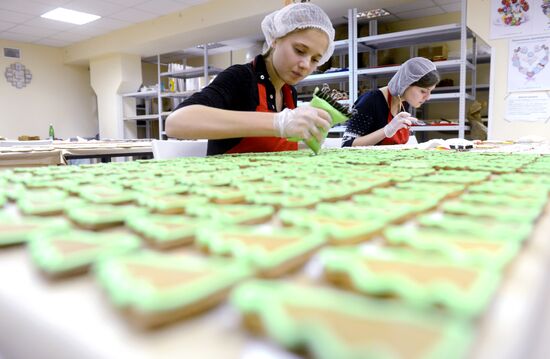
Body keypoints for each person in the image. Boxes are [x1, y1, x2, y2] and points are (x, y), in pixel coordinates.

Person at [165, 3, 335, 156]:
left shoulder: (288, 91)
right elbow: (177, 122)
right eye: (299, 50)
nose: (306, 65)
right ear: (275, 39)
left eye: (315, 60)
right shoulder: (242, 78)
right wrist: (278, 123)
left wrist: (304, 139)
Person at [341, 57, 440, 147]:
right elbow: (346, 145)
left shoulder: (404, 102)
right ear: (406, 84)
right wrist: (386, 130)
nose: (428, 98)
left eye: (430, 91)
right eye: (423, 91)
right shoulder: (370, 101)